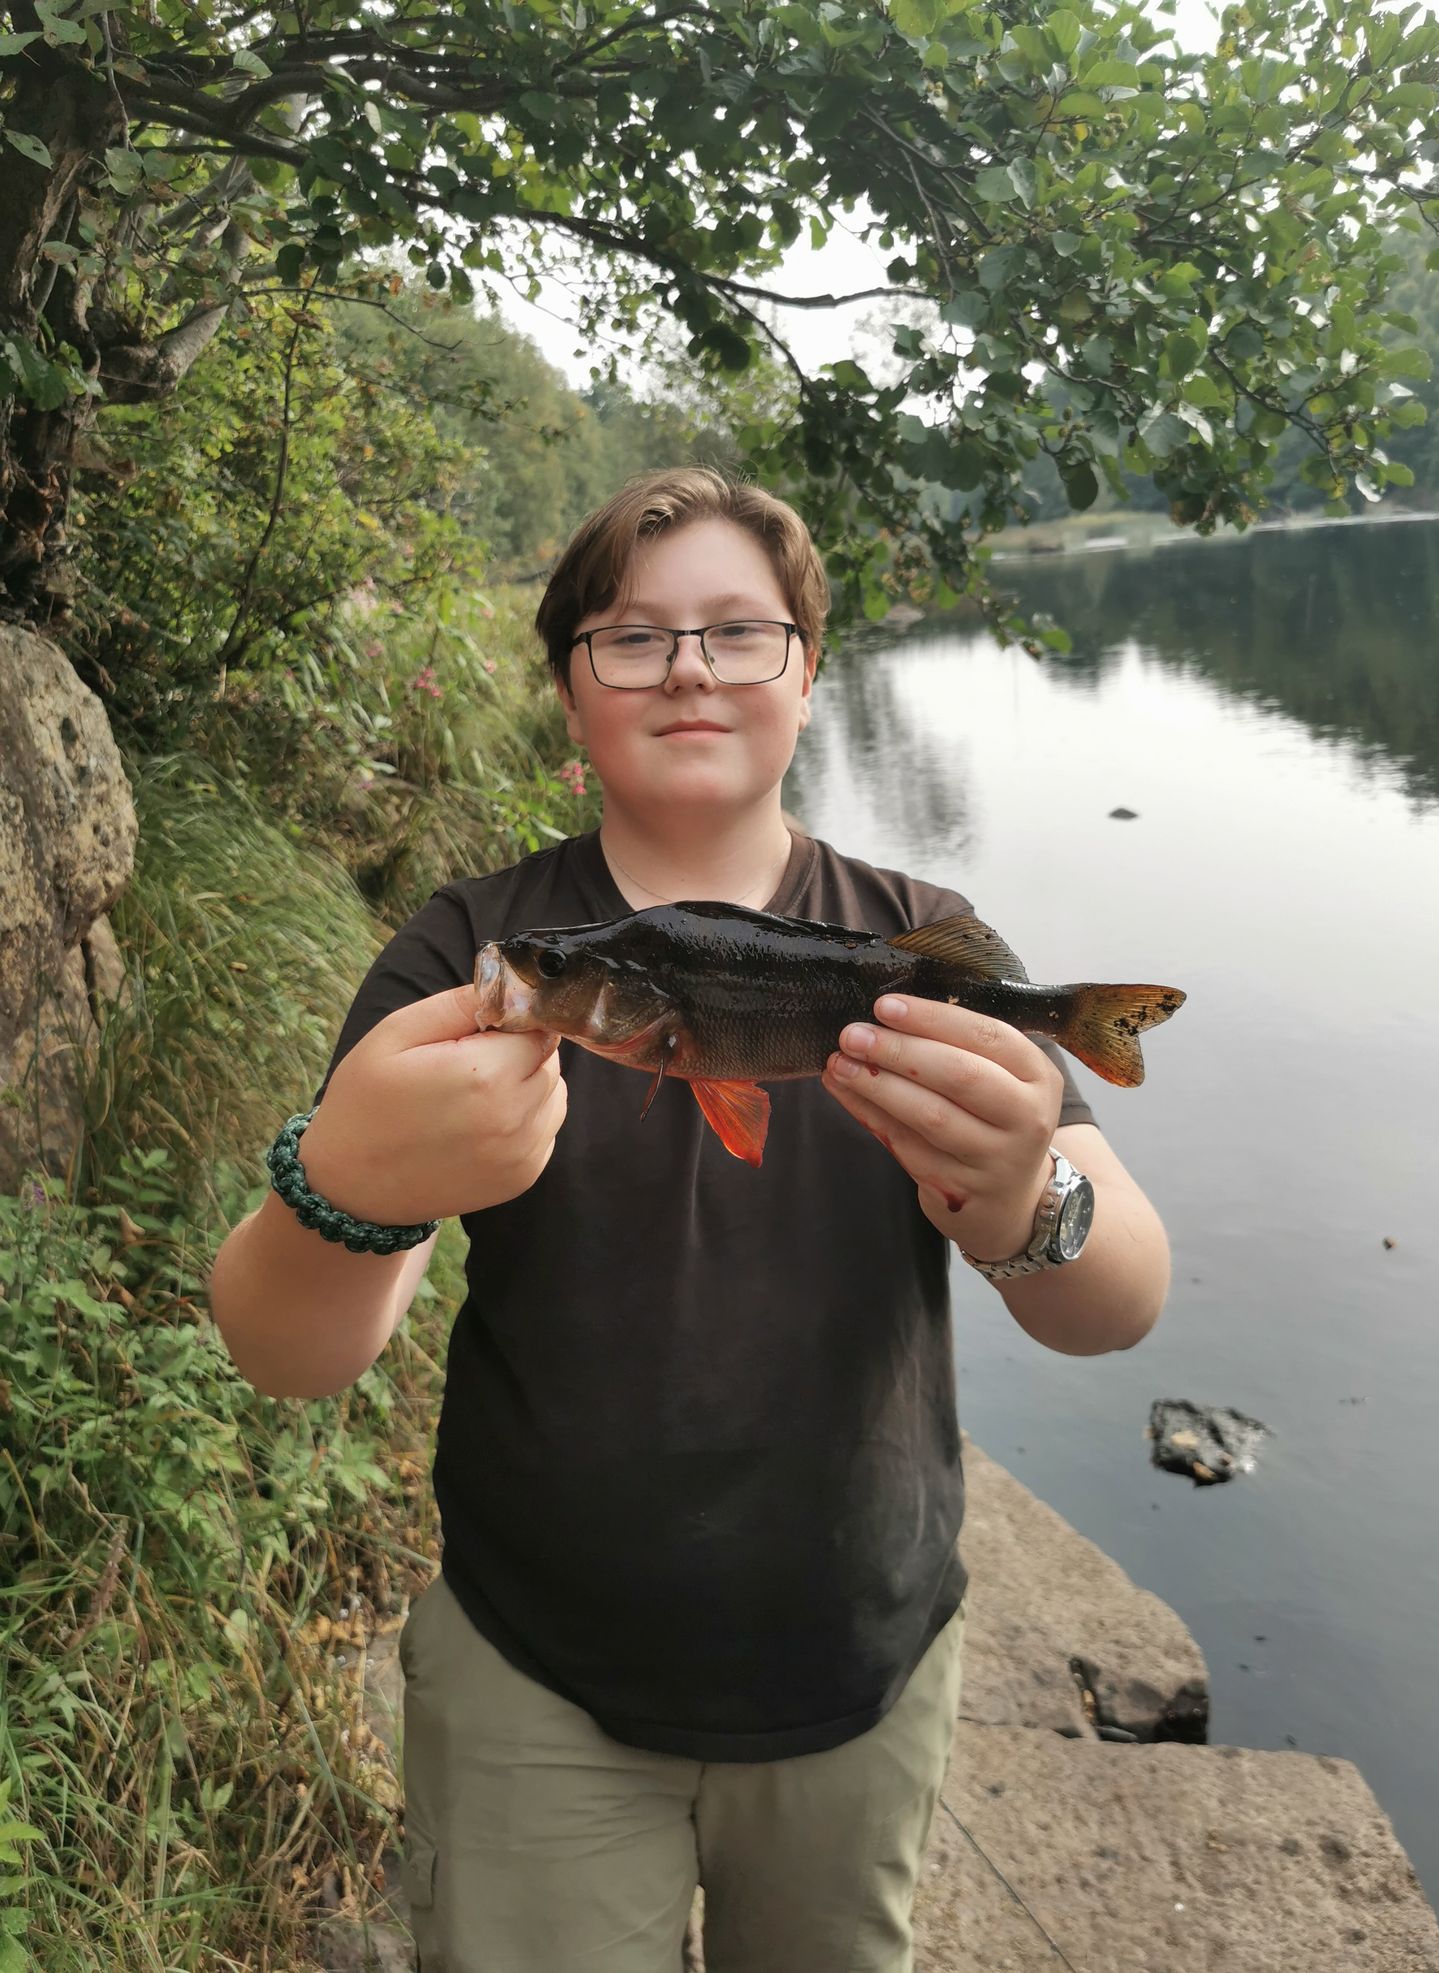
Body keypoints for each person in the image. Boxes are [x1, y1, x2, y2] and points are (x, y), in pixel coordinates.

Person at [209, 468, 1172, 1973]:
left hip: (862, 1659)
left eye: (738, 632)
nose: (688, 669)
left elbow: (1120, 1298)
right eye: (632, 637)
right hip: (536, 1672)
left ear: (808, 670)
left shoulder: (918, 942)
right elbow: (286, 1352)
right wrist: (353, 1181)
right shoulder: (468, 953)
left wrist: (1022, 1195)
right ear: (567, 686)